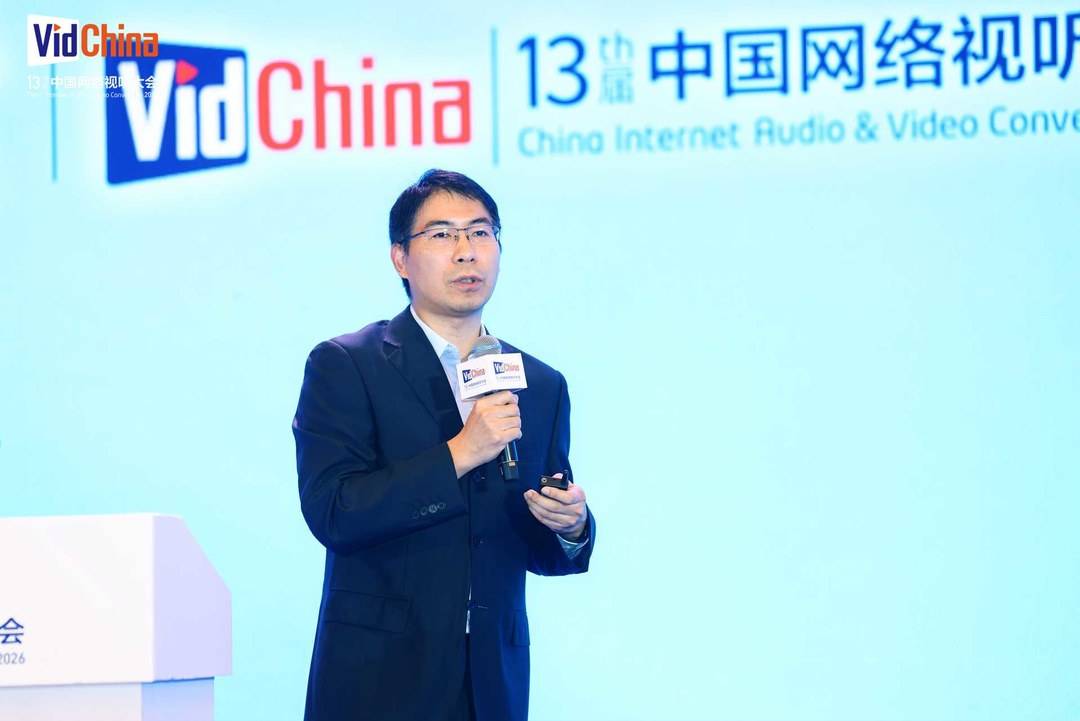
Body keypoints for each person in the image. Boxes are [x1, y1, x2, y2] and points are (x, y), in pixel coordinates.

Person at [292, 169, 596, 721]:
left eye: (481, 232)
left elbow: (534, 545)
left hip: (490, 683)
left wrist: (570, 526)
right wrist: (461, 452)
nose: (466, 251)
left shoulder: (540, 383)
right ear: (400, 258)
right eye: (442, 234)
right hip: (377, 681)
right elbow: (334, 511)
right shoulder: (347, 365)